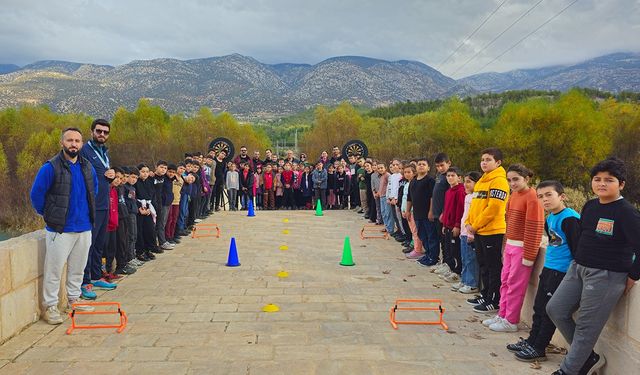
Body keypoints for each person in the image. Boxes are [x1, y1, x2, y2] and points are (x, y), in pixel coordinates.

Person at [547, 158, 640, 375]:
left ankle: (568, 370)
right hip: (578, 268)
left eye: (609, 180)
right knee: (556, 309)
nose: (601, 184)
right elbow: (583, 237)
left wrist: (633, 275)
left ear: (621, 184)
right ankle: (587, 357)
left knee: (586, 329)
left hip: (606, 276)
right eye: (597, 179)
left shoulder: (626, 212)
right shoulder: (590, 205)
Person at [30, 127, 99, 324]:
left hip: (84, 227)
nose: (73, 144)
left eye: (77, 141)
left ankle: (73, 300)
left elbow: (93, 190)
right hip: (60, 230)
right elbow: (36, 195)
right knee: (54, 269)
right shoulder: (50, 167)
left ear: (82, 144)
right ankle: (51, 306)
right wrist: (51, 215)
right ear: (62, 143)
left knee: (78, 268)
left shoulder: (87, 166)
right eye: (70, 140)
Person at [507, 180, 580, 363]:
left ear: (561, 196)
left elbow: (578, 250)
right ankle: (532, 341)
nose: (544, 199)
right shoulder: (550, 218)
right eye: (540, 196)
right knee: (538, 307)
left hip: (562, 273)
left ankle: (539, 347)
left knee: (548, 311)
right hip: (548, 269)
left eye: (549, 195)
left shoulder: (570, 218)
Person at [483, 164, 544, 332]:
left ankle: (511, 320)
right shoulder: (514, 195)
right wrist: (504, 246)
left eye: (516, 179)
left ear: (527, 178)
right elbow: (508, 223)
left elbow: (535, 226)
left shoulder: (533, 197)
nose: (512, 183)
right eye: (509, 180)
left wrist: (529, 255)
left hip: (523, 249)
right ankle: (502, 314)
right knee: (505, 281)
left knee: (515, 285)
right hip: (510, 245)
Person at [465, 148, 509, 314]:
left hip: (492, 232)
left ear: (498, 162)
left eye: (488, 159)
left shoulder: (499, 181)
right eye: (482, 159)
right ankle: (486, 294)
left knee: (493, 267)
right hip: (479, 231)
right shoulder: (482, 180)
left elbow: (494, 209)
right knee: (483, 265)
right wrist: (470, 222)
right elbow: (476, 205)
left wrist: (475, 225)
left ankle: (494, 299)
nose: (484, 162)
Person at [79, 119, 117, 296]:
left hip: (103, 203)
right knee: (89, 244)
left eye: (105, 132)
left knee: (99, 243)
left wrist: (111, 175)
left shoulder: (104, 152)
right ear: (92, 131)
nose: (102, 135)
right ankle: (85, 281)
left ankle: (95, 276)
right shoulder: (85, 151)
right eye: (99, 131)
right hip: (90, 205)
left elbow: (103, 175)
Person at [406, 158, 439, 267]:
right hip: (417, 213)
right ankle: (428, 254)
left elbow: (432, 197)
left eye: (423, 164)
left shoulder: (430, 181)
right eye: (419, 164)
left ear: (428, 168)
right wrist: (407, 211)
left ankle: (433, 257)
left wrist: (431, 211)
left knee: (431, 236)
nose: (421, 166)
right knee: (422, 235)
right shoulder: (413, 181)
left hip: (427, 214)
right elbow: (409, 198)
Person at [439, 167, 466, 285]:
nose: (450, 178)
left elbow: (460, 210)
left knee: (456, 251)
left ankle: (457, 271)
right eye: (448, 176)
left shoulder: (460, 191)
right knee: (448, 248)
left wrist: (457, 225)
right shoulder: (448, 191)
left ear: (459, 178)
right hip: (448, 225)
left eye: (453, 176)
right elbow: (446, 209)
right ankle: (449, 268)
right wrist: (444, 224)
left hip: (455, 226)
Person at [458, 171, 482, 294]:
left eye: (469, 182)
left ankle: (472, 283)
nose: (466, 184)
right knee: (464, 258)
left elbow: (475, 216)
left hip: (470, 233)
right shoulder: (468, 196)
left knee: (471, 259)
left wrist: (471, 234)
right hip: (463, 231)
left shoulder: (477, 197)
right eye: (465, 181)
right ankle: (464, 279)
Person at [430, 153, 452, 271]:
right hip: (436, 213)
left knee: (446, 241)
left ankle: (448, 264)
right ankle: (444, 262)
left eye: (442, 165)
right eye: (437, 166)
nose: (440, 168)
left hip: (444, 215)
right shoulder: (439, 175)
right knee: (441, 240)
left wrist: (444, 212)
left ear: (449, 163)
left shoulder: (450, 177)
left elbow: (449, 198)